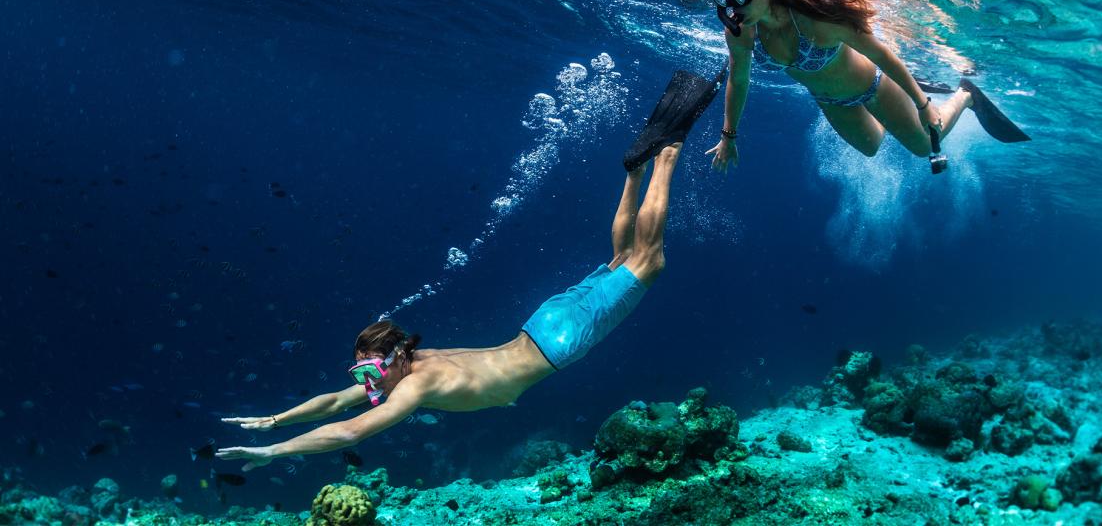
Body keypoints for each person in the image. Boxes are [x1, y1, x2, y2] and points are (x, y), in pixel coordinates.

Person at [216, 70, 724, 471]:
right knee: (617, 261)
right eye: (361, 372)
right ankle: (634, 173)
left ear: (395, 358)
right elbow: (333, 403)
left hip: (559, 341)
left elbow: (350, 430)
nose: (367, 380)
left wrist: (271, 452)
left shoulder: (414, 386)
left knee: (645, 261)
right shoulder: (410, 363)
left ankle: (666, 154)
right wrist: (276, 420)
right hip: (541, 323)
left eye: (370, 369)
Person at [704, 0, 1028, 172]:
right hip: (831, 100)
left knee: (924, 145)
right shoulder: (742, 32)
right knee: (871, 146)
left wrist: (922, 104)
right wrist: (728, 136)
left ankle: (965, 94)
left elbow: (881, 54)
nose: (731, 6)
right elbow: (739, 80)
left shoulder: (816, 19)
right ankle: (900, 107)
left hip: (872, 85)